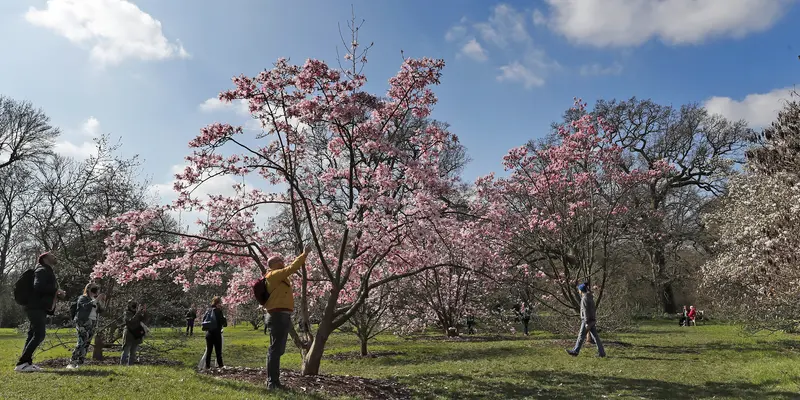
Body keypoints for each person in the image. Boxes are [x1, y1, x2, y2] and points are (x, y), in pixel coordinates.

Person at [264, 243, 312, 390]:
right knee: (275, 350)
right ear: (273, 264)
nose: (283, 261)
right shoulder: (274, 274)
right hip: (277, 316)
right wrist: (304, 254)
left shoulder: (278, 277)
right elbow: (291, 268)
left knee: (278, 350)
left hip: (281, 315)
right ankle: (272, 383)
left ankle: (274, 381)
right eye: (280, 260)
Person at [15, 252, 66, 373]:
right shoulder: (41, 270)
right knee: (39, 335)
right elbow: (38, 286)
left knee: (32, 334)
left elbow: (42, 289)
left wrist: (56, 293)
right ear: (44, 258)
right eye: (51, 255)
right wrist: (56, 290)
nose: (55, 256)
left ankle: (25, 363)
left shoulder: (45, 270)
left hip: (38, 307)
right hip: (35, 307)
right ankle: (21, 363)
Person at [67, 283, 106, 369]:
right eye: (93, 289)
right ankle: (72, 362)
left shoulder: (95, 299)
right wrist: (96, 300)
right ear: (88, 289)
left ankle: (80, 362)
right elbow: (85, 306)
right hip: (83, 321)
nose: (95, 291)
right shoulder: (83, 298)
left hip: (92, 321)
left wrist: (101, 301)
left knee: (87, 342)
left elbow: (101, 310)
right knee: (81, 341)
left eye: (96, 289)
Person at [566, 283, 606, 358]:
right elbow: (592, 310)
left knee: (581, 336)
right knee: (596, 337)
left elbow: (585, 311)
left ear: (581, 290)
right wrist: (592, 320)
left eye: (579, 290)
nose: (578, 291)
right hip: (592, 319)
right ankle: (602, 353)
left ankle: (575, 351)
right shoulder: (590, 297)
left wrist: (587, 322)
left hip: (586, 320)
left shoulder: (584, 299)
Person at [203, 296, 227, 370]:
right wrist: (224, 318)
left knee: (209, 351)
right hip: (216, 333)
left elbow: (204, 320)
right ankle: (221, 365)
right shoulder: (218, 311)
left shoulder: (208, 310)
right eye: (220, 303)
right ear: (218, 303)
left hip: (209, 333)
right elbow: (223, 323)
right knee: (218, 351)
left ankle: (207, 366)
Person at [121, 300, 147, 366]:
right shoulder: (127, 313)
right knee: (126, 352)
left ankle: (130, 365)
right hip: (129, 334)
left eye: (135, 304)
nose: (134, 306)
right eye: (132, 304)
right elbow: (131, 321)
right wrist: (137, 313)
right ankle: (122, 365)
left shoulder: (137, 312)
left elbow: (144, 319)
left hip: (136, 334)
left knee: (133, 352)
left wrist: (144, 312)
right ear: (128, 305)